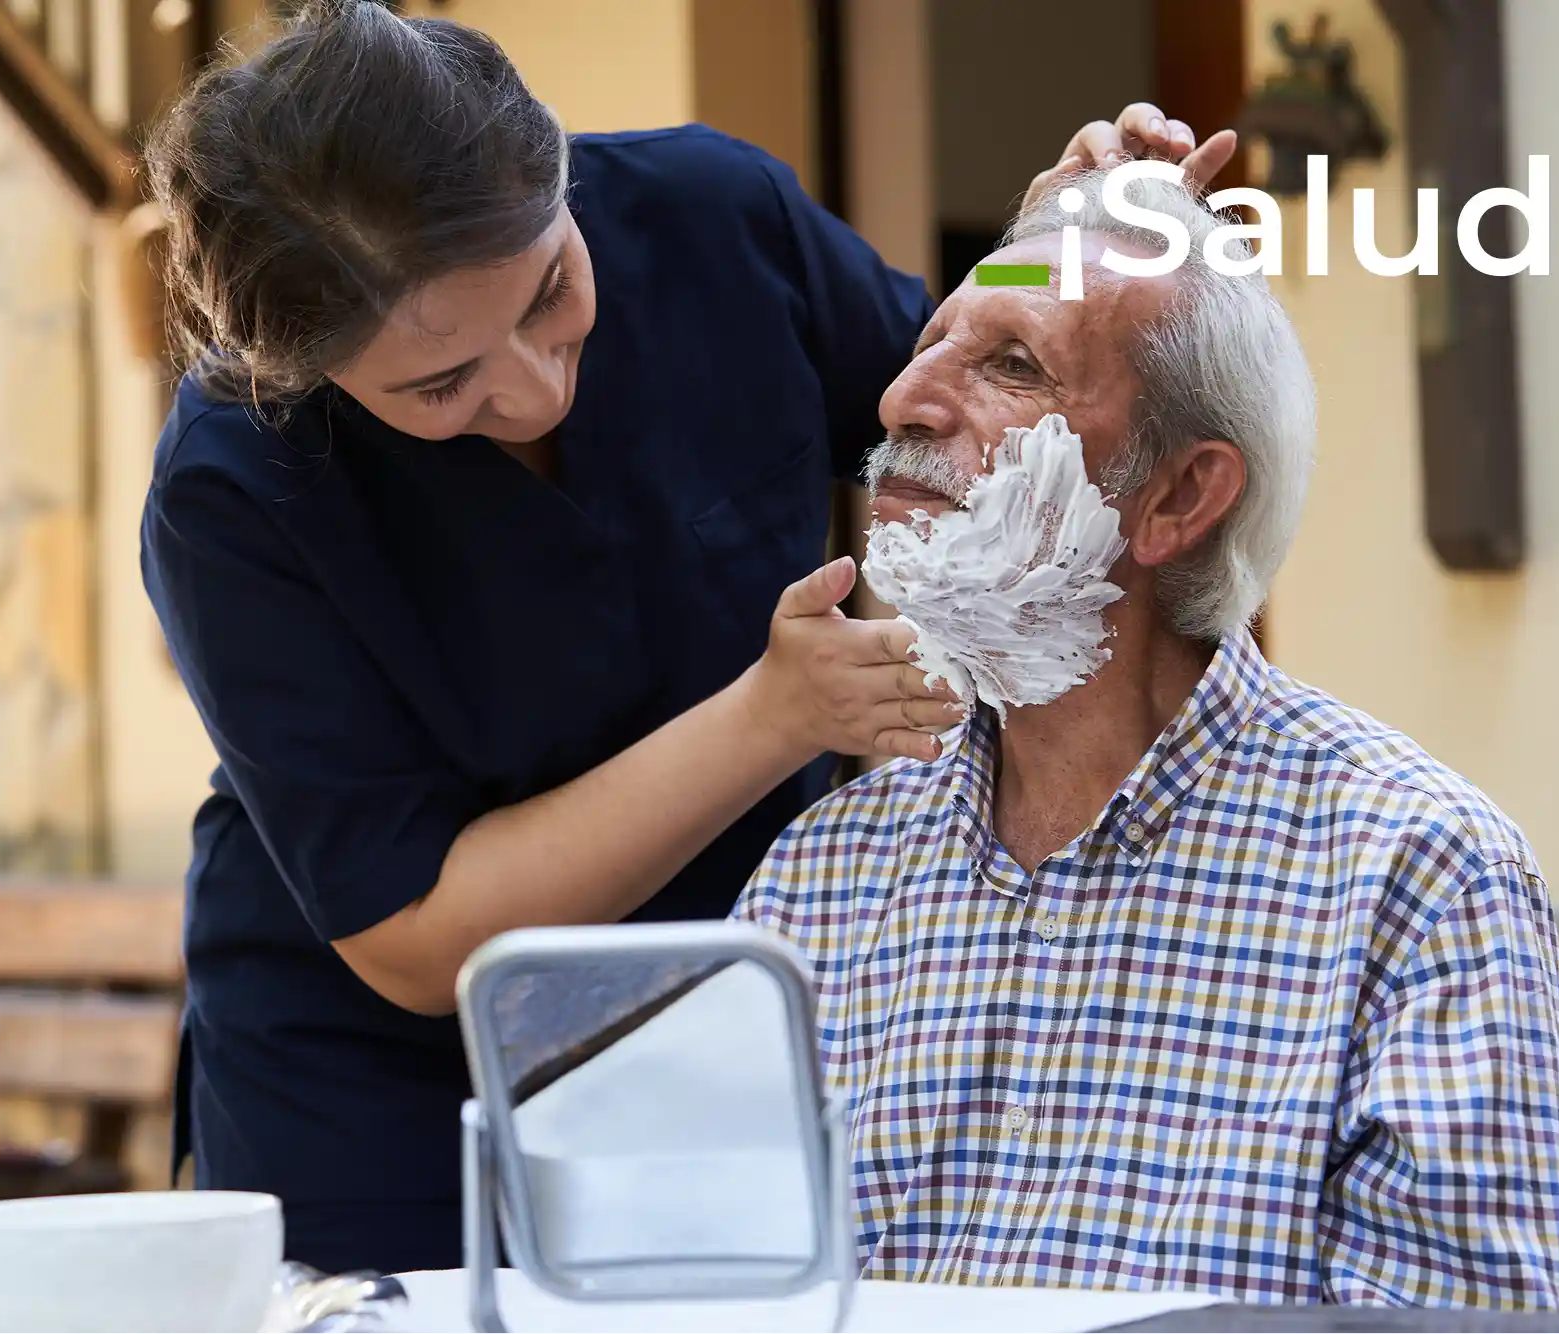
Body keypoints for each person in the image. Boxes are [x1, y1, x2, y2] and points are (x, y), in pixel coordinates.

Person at [138, 0, 1230, 1273]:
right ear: (309, 375)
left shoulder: (713, 217)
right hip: (383, 1110)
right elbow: (418, 936)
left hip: (731, 1022)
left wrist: (1048, 261)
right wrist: (769, 718)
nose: (536, 384)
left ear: (556, 173)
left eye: (551, 290)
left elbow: (950, 428)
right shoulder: (235, 484)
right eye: (440, 387)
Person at [735, 165, 1559, 1306]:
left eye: (1010, 364)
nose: (900, 401)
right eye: (929, 340)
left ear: (1177, 497)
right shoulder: (823, 874)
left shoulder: (1413, 871)